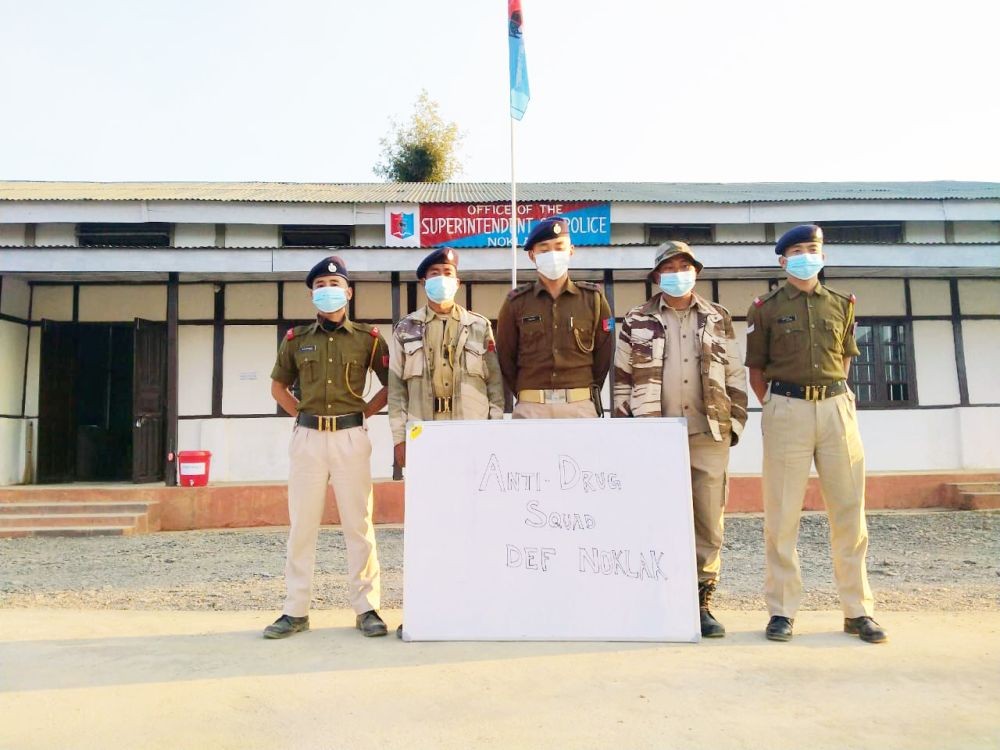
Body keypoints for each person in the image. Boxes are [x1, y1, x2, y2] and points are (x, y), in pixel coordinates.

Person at [745, 224, 886, 644]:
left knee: (849, 511)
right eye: (799, 250)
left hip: (836, 408)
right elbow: (756, 371)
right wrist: (777, 403)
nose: (808, 255)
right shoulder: (765, 308)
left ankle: (857, 610)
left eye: (814, 249)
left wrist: (833, 398)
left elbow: (844, 359)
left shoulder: (842, 305)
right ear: (783, 260)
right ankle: (782, 610)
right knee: (782, 513)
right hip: (787, 408)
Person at [613, 241, 748, 638]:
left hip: (708, 434)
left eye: (684, 266)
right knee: (655, 518)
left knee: (708, 519)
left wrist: (734, 424)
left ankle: (701, 602)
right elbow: (621, 381)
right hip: (655, 436)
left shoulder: (717, 317)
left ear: (696, 272)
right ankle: (657, 598)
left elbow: (735, 375)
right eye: (668, 267)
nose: (677, 273)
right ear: (656, 276)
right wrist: (631, 429)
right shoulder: (636, 319)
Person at [264, 255, 390, 639]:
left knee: (359, 523)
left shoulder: (368, 340)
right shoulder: (296, 340)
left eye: (335, 286)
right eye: (320, 286)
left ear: (348, 292)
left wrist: (365, 413)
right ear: (312, 295)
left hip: (352, 438)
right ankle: (295, 610)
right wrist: (300, 415)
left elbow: (391, 386)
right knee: (302, 524)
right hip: (308, 439)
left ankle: (367, 608)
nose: (328, 292)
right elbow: (277, 387)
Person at [388, 246, 504, 468]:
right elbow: (396, 389)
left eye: (447, 272)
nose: (442, 278)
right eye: (434, 273)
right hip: (422, 429)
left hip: (471, 430)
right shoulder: (406, 328)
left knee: (471, 496)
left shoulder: (479, 326)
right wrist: (399, 438)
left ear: (457, 282)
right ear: (423, 281)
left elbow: (495, 385)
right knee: (429, 498)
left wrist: (494, 429)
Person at [495, 216, 614, 418]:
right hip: (531, 407)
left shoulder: (593, 299)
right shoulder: (516, 302)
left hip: (579, 407)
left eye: (559, 247)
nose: (553, 254)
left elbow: (603, 357)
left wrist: (581, 393)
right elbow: (506, 358)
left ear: (571, 251)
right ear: (532, 255)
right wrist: (527, 395)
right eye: (544, 249)